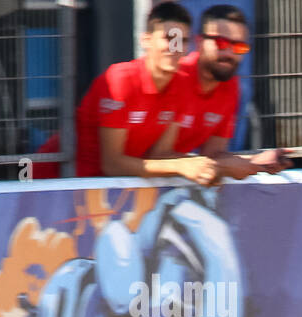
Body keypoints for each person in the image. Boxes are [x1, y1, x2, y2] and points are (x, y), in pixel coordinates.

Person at [73, 2, 215, 184]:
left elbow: (160, 156)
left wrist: (205, 165)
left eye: (183, 40)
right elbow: (112, 165)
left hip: (114, 192)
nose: (175, 47)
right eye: (169, 38)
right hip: (55, 180)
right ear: (146, 40)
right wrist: (182, 165)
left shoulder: (181, 84)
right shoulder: (121, 79)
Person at [171, 4, 290, 179]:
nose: (229, 53)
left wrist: (257, 161)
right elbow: (157, 156)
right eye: (221, 43)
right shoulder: (176, 77)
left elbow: (213, 155)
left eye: (239, 47)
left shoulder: (231, 87)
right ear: (199, 42)